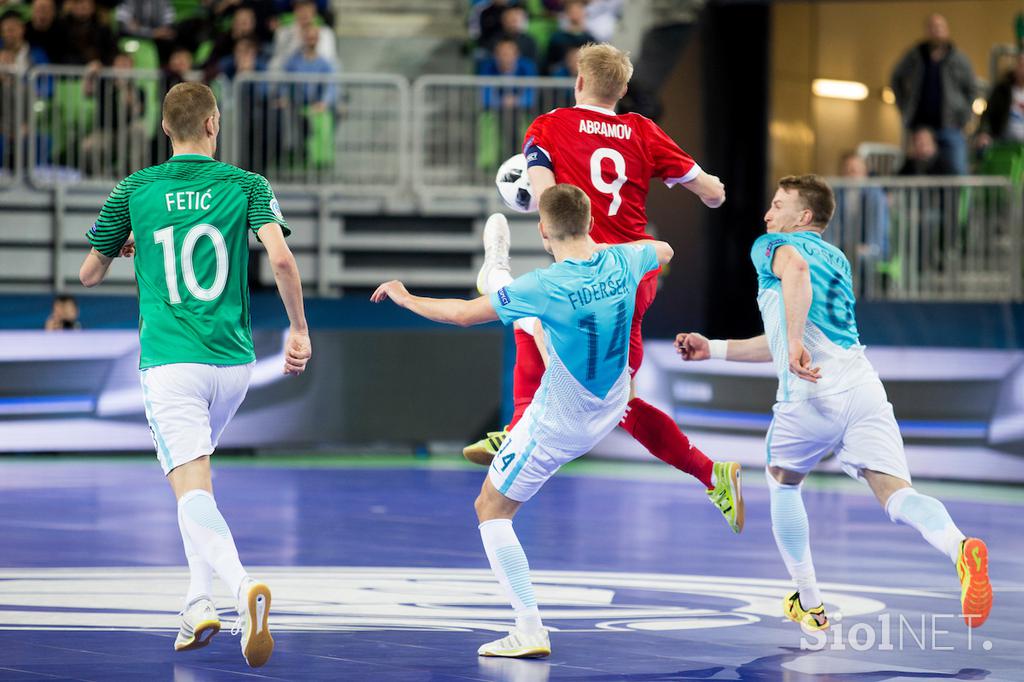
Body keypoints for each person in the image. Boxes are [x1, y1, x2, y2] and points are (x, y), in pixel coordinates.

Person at [675, 174, 992, 632]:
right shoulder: (840, 259)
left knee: (782, 482)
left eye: (778, 204)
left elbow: (796, 289)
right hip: (862, 386)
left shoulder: (769, 246)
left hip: (812, 391)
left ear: (803, 217)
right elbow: (782, 335)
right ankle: (960, 547)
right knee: (897, 492)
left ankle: (811, 603)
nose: (768, 214)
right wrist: (715, 348)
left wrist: (799, 344)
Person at [372, 184, 674, 658]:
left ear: (543, 230)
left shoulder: (546, 285)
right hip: (614, 401)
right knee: (530, 323)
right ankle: (495, 272)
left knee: (490, 509)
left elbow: (464, 315)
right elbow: (665, 249)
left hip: (560, 422)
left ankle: (529, 627)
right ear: (591, 222)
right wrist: (616, 254)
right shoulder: (625, 260)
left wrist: (406, 296)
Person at [78, 81, 311, 667]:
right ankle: (196, 603)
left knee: (189, 489)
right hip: (233, 365)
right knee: (196, 486)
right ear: (214, 124)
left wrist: (126, 243)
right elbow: (280, 258)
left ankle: (239, 590)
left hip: (171, 364)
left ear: (165, 130)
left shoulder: (135, 188)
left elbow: (87, 274)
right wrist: (299, 329)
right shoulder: (247, 185)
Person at [467, 42, 743, 534]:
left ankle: (517, 431)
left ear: (579, 82)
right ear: (623, 90)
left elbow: (547, 197)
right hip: (630, 276)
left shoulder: (549, 127)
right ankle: (516, 430)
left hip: (582, 268)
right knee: (596, 382)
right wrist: (709, 188)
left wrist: (547, 216)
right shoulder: (643, 131)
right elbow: (713, 192)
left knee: (565, 353)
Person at [890, 14, 976, 175]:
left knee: (957, 171)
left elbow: (971, 89)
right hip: (919, 127)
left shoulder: (959, 59)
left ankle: (959, 202)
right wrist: (904, 107)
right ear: (927, 31)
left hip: (951, 126)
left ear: (947, 30)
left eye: (940, 27)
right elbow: (896, 78)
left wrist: (963, 116)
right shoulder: (914, 56)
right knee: (913, 172)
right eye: (933, 27)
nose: (937, 31)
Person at [268, 0, 335, 73]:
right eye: (299, 7)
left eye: (308, 6)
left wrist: (311, 42)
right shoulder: (283, 33)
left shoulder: (325, 33)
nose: (304, 12)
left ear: (314, 9)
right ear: (294, 10)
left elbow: (329, 62)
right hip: (290, 81)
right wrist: (298, 41)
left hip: (317, 80)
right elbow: (276, 65)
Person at [977, 51, 1024, 148]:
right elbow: (988, 115)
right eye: (1021, 65)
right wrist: (984, 133)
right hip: (1003, 144)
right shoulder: (1002, 90)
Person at [543, 0, 593, 75]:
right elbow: (549, 64)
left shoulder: (590, 39)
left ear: (583, 12)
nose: (576, 13)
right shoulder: (557, 38)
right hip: (562, 78)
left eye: (579, 10)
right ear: (567, 13)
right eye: (572, 11)